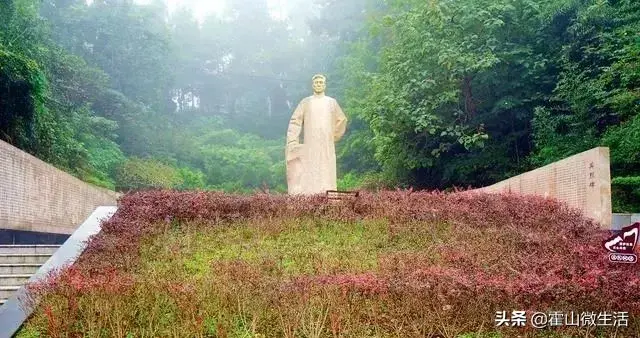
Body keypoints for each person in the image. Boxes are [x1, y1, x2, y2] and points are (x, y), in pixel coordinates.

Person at [285, 74, 348, 195]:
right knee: (310, 170)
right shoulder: (306, 102)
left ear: (324, 85)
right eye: (316, 82)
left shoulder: (331, 102)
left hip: (326, 143)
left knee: (326, 168)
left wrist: (333, 136)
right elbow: (295, 121)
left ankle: (327, 196)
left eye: (321, 82)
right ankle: (310, 197)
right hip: (311, 142)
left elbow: (342, 119)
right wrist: (293, 140)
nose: (318, 84)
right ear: (312, 85)